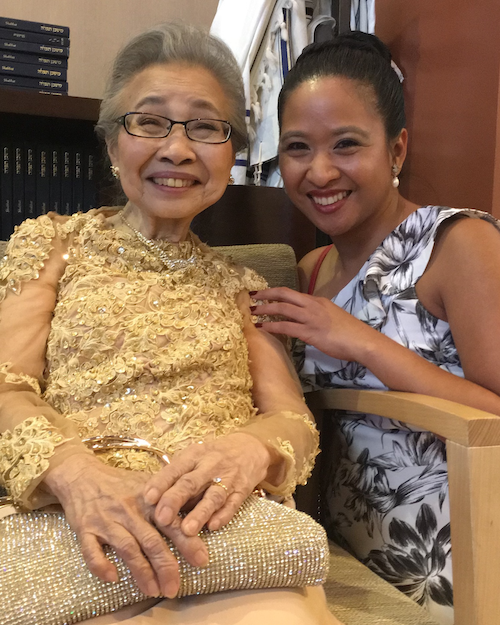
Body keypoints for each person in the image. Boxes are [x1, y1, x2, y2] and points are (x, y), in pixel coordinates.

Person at [0, 23, 339, 625]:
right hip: (72, 532)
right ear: (111, 144)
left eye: (205, 127)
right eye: (149, 122)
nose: (177, 149)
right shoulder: (53, 247)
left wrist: (250, 449)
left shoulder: (244, 287)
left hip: (225, 545)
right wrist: (74, 473)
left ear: (231, 153)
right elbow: (5, 386)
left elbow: (292, 419)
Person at [249, 32, 500, 625]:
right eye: (298, 147)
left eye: (347, 144)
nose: (320, 170)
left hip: (466, 548)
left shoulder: (458, 244)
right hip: (351, 554)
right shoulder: (311, 273)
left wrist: (360, 339)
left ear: (397, 149)